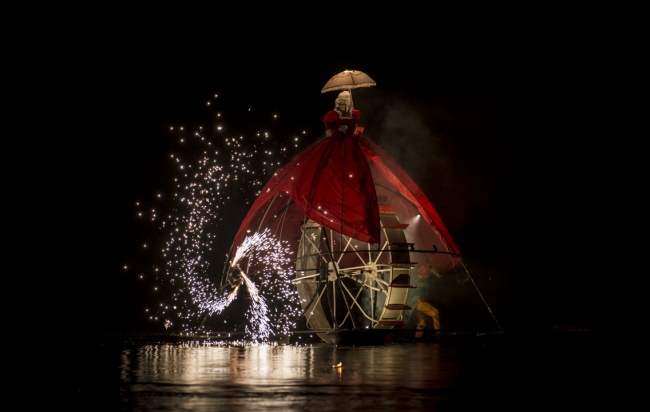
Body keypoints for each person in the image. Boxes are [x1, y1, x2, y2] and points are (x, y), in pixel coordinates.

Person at [407, 263, 442, 336]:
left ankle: (417, 338)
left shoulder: (416, 280)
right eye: (420, 274)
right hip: (419, 303)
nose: (420, 275)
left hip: (413, 306)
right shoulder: (422, 283)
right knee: (435, 313)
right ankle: (438, 333)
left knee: (422, 322)